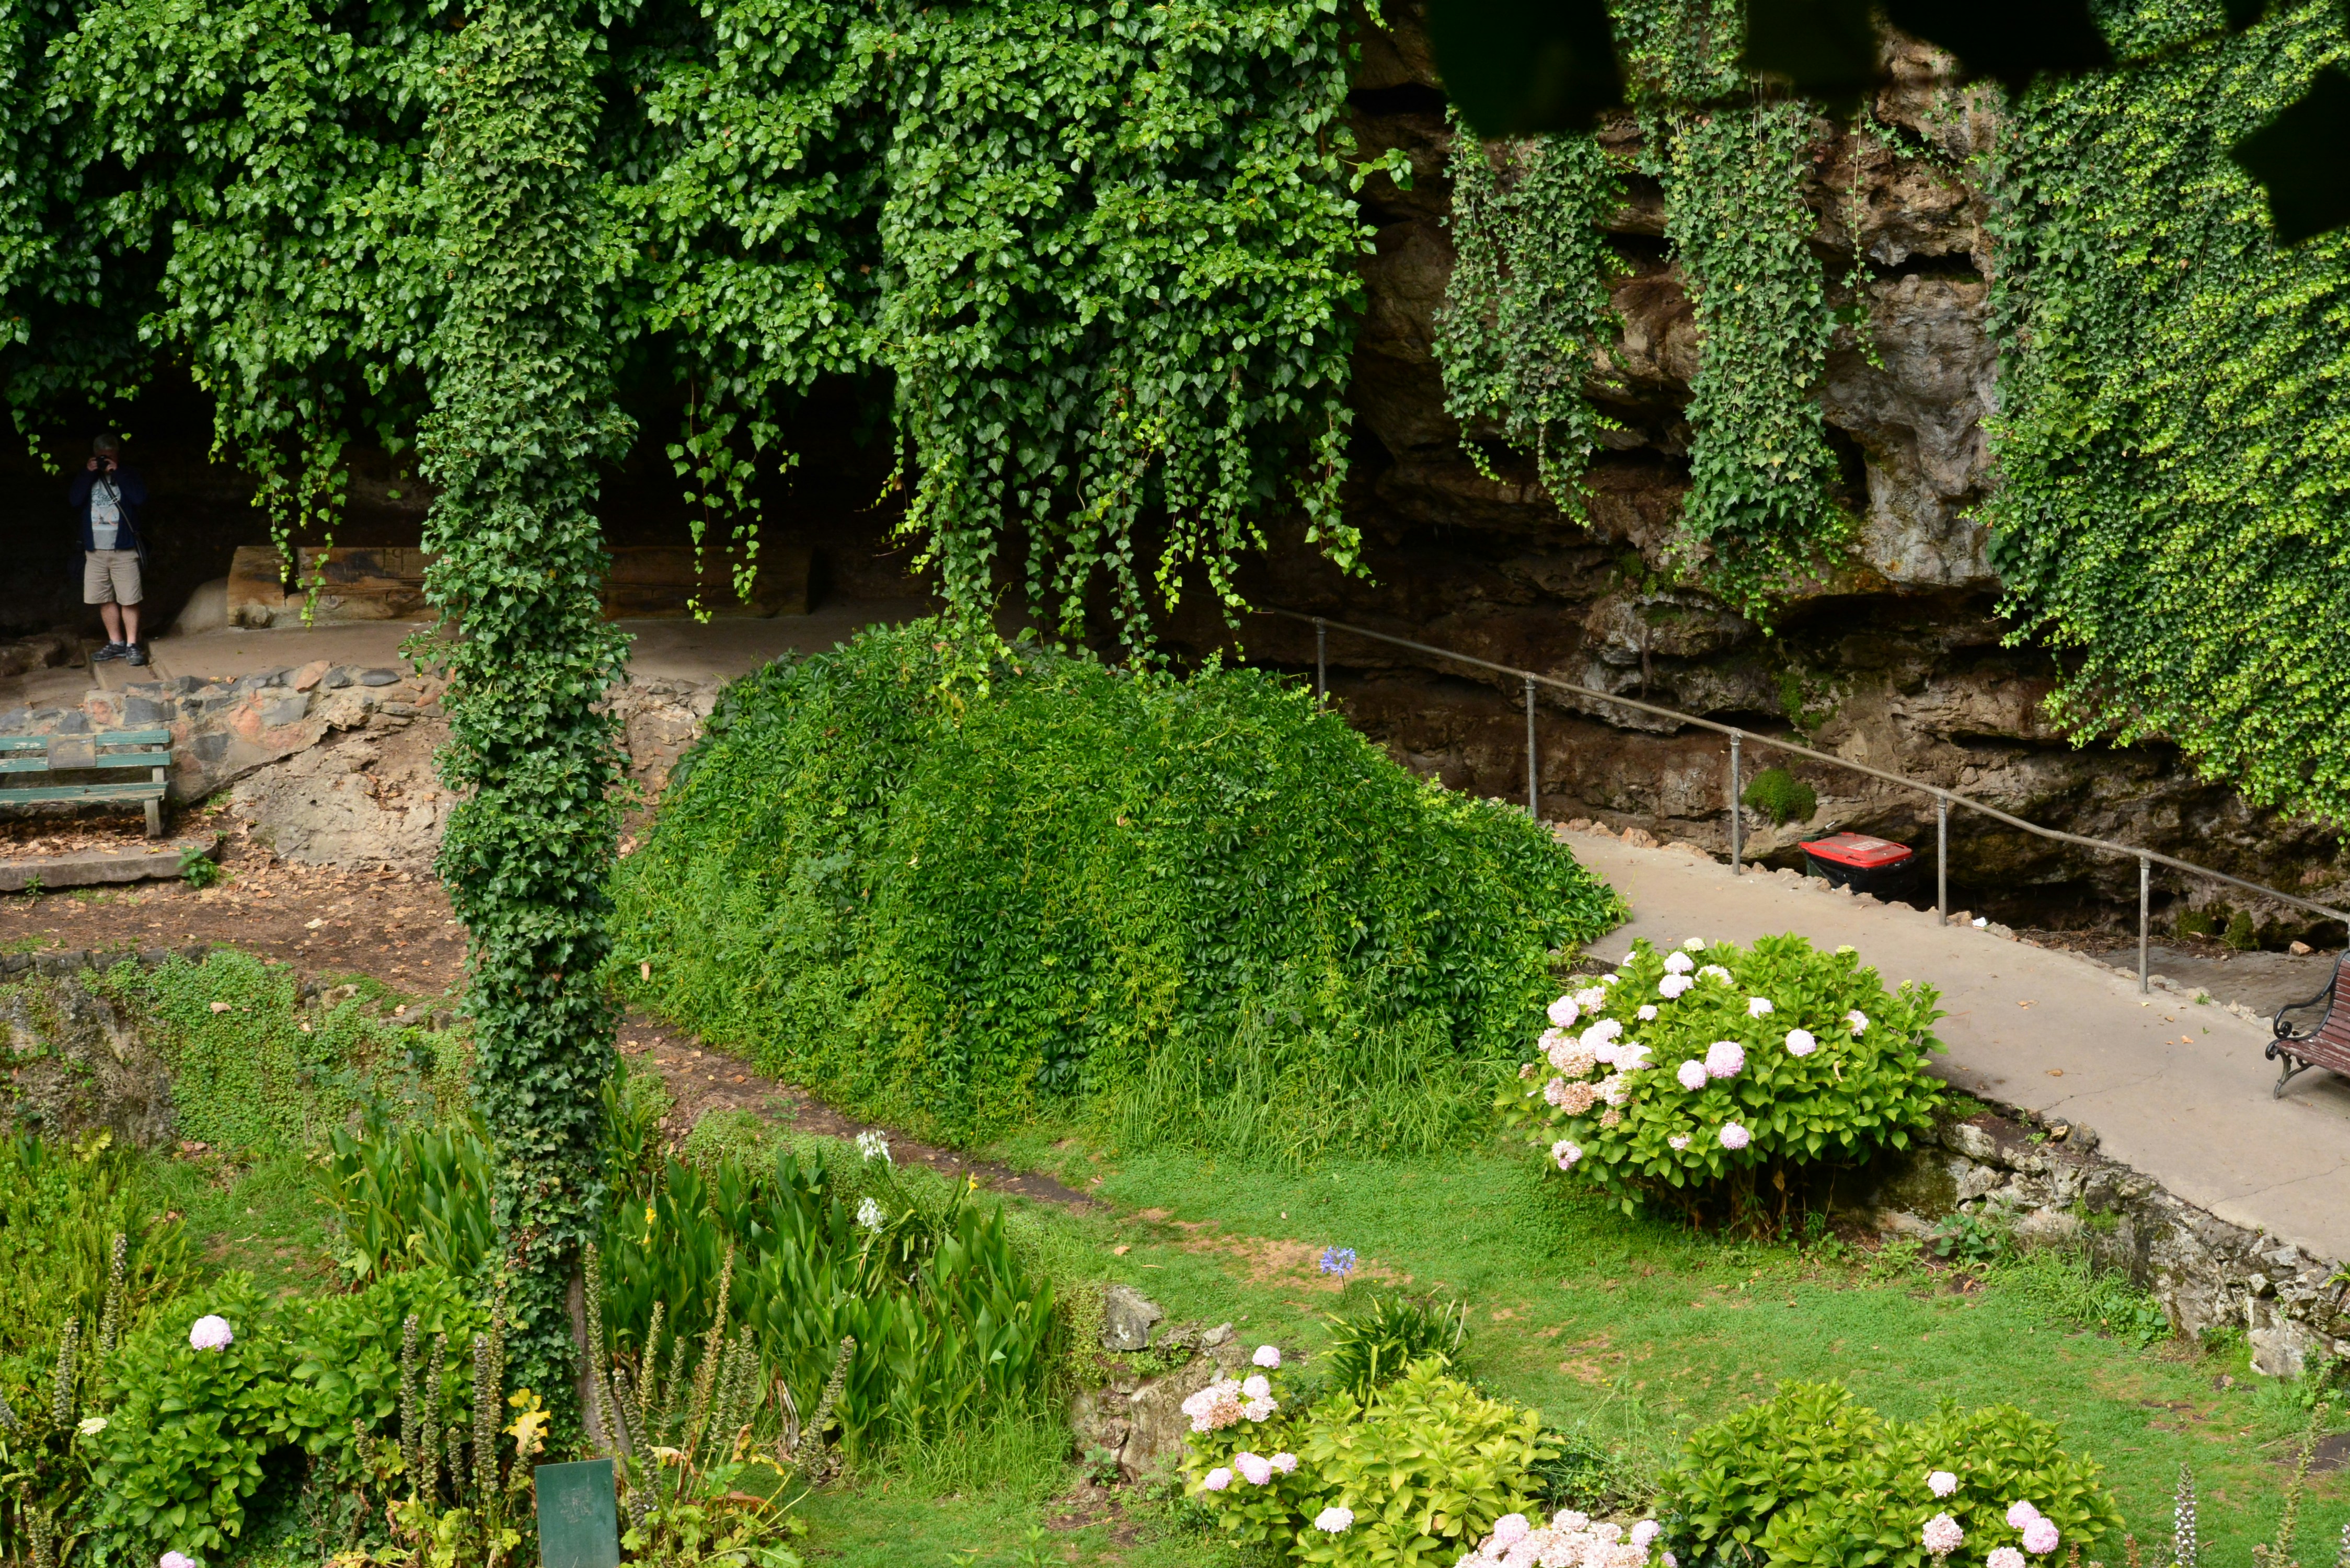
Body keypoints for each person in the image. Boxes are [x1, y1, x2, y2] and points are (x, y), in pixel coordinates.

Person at [68, 433, 149, 666]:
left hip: (124, 548)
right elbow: (74, 501)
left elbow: (140, 499)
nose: (105, 461)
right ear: (95, 456)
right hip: (95, 550)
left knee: (129, 598)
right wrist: (88, 473)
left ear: (117, 455)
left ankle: (132, 644)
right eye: (101, 457)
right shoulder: (88, 476)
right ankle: (116, 643)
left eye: (110, 457)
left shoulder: (128, 473)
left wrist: (118, 472)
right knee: (103, 598)